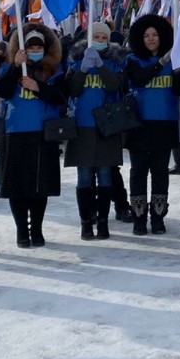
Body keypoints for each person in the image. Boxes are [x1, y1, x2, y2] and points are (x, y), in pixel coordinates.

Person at [0, 27, 67, 247]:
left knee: (39, 186)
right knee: (18, 186)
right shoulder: (11, 68)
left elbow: (60, 98)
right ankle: (21, 230)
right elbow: (2, 91)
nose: (35, 51)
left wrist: (38, 87)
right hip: (15, 133)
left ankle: (36, 228)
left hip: (44, 134)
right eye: (31, 47)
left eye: (39, 48)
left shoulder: (55, 71)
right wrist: (16, 66)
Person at [64, 22, 126, 241]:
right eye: (96, 37)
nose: (99, 41)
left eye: (103, 38)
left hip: (106, 126)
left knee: (105, 175)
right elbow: (72, 90)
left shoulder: (115, 63)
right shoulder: (76, 63)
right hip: (82, 126)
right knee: (84, 176)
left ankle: (102, 222)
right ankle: (85, 222)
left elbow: (113, 87)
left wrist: (100, 66)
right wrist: (82, 69)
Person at [125, 14, 180, 235]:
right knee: (138, 171)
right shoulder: (132, 60)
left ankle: (158, 217)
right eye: (146, 35)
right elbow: (139, 79)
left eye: (155, 35)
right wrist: (161, 63)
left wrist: (178, 71)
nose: (151, 39)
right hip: (139, 123)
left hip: (165, 122)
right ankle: (139, 218)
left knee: (160, 172)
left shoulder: (174, 61)